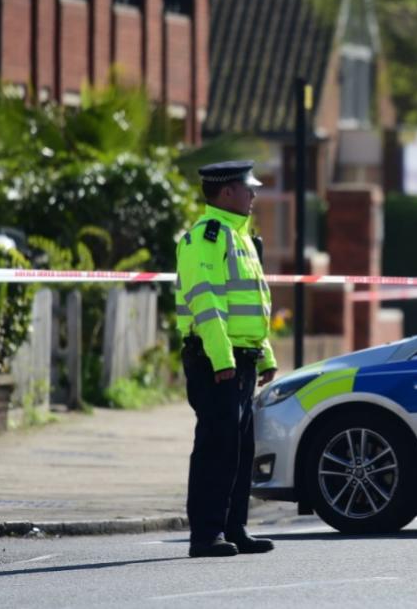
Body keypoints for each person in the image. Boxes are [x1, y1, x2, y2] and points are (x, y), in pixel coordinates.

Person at [175, 160, 278, 558]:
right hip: (218, 362)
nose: (254, 194)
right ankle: (206, 535)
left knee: (240, 450)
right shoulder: (208, 238)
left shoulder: (244, 240)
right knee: (216, 449)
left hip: (242, 360)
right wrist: (222, 360)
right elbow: (207, 303)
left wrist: (265, 354)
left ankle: (234, 527)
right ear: (227, 192)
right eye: (247, 188)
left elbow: (253, 307)